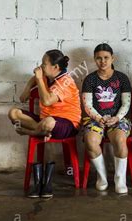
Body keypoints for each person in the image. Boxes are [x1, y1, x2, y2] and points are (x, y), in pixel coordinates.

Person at [8, 50, 81, 199]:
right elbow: (33, 79)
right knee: (13, 113)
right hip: (45, 122)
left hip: (67, 124)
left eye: (44, 64)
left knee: (48, 122)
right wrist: (28, 87)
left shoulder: (66, 81)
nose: (40, 67)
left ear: (55, 67)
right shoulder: (48, 77)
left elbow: (47, 100)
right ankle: (41, 131)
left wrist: (39, 79)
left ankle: (32, 132)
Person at [82, 43, 132, 194]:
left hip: (118, 118)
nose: (102, 61)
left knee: (120, 140)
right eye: (99, 58)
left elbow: (126, 103)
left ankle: (119, 179)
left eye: (106, 58)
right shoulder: (90, 79)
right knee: (91, 141)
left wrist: (116, 118)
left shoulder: (122, 78)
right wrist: (98, 118)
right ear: (94, 59)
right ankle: (102, 177)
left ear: (112, 58)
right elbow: (87, 105)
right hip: (95, 118)